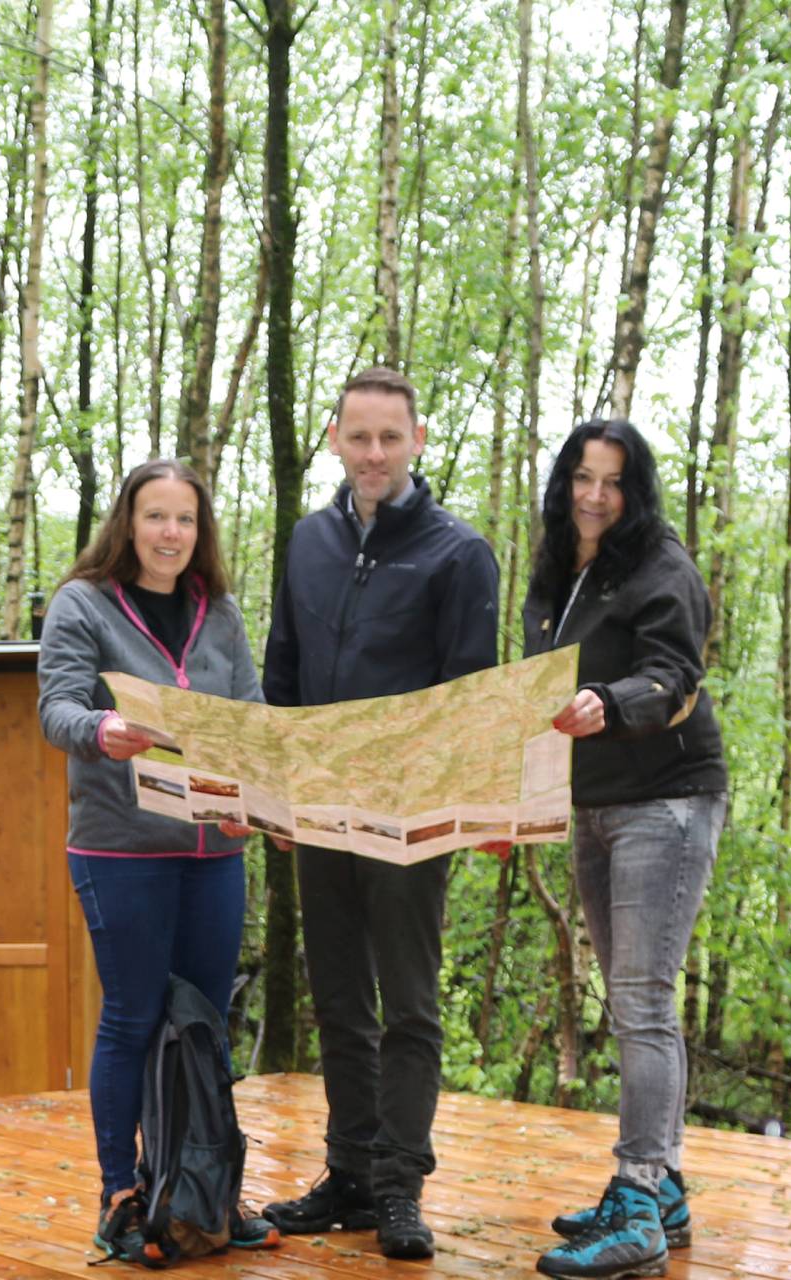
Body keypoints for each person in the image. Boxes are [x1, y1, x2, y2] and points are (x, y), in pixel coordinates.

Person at [258, 366, 499, 1260]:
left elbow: (473, 701)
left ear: (417, 442)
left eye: (389, 438)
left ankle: (400, 1185)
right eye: (358, 436)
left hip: (412, 815)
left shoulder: (458, 552)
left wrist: (469, 807)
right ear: (334, 438)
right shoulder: (307, 542)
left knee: (409, 1005)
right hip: (317, 809)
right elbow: (282, 673)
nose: (373, 453)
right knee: (338, 1001)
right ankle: (350, 1176)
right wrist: (272, 790)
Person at [36, 458, 279, 1263]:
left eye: (184, 519)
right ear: (127, 524)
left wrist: (274, 802)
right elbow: (57, 706)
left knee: (205, 1026)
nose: (171, 534)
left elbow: (250, 720)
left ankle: (199, 1192)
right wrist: (101, 731)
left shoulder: (222, 613)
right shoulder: (85, 604)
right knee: (136, 1016)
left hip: (214, 850)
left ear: (199, 530)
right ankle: (123, 1193)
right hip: (122, 846)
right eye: (155, 517)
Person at [518, 419, 726, 1280]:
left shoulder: (662, 567)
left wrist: (613, 697)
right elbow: (533, 694)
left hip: (666, 802)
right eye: (582, 477)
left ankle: (638, 1197)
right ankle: (664, 1189)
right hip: (594, 803)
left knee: (643, 1002)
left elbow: (673, 675)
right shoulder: (559, 568)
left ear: (635, 491)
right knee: (628, 999)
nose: (595, 494)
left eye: (613, 481)